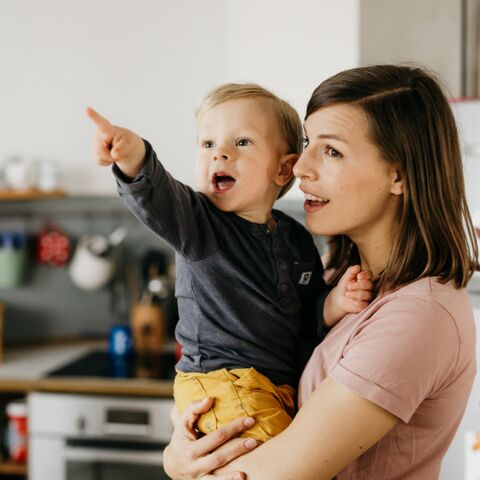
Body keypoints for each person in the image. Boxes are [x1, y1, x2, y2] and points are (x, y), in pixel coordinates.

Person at [162, 64, 479, 480]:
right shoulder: (333, 278)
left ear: (398, 174)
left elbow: (267, 476)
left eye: (331, 151)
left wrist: (181, 466)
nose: (299, 168)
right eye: (308, 142)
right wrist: (179, 451)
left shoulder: (419, 315)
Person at [86, 84, 373, 442]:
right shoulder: (199, 225)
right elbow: (156, 194)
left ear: (284, 169)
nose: (219, 154)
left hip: (273, 387)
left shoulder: (296, 238)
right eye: (207, 144)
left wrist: (336, 303)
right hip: (221, 382)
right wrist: (133, 155)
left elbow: (307, 315)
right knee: (282, 459)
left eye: (241, 143)